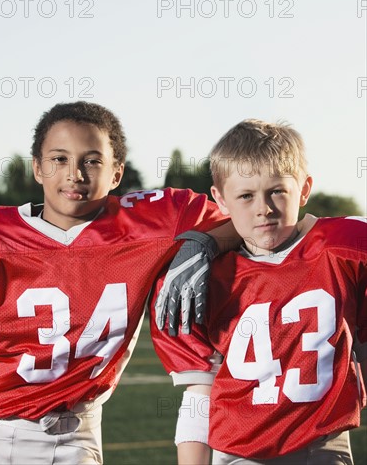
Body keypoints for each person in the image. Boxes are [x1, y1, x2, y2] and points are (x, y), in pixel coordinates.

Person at [0, 101, 237, 465]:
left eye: (92, 160)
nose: (75, 174)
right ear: (37, 168)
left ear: (116, 173)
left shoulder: (153, 222)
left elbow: (246, 221)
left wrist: (205, 241)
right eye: (59, 159)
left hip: (82, 433)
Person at [152, 119, 367, 465]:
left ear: (305, 188)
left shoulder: (342, 247)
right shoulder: (205, 276)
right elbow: (200, 392)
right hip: (237, 452)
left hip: (322, 446)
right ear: (220, 199)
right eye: (246, 196)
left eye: (277, 191)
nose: (263, 208)